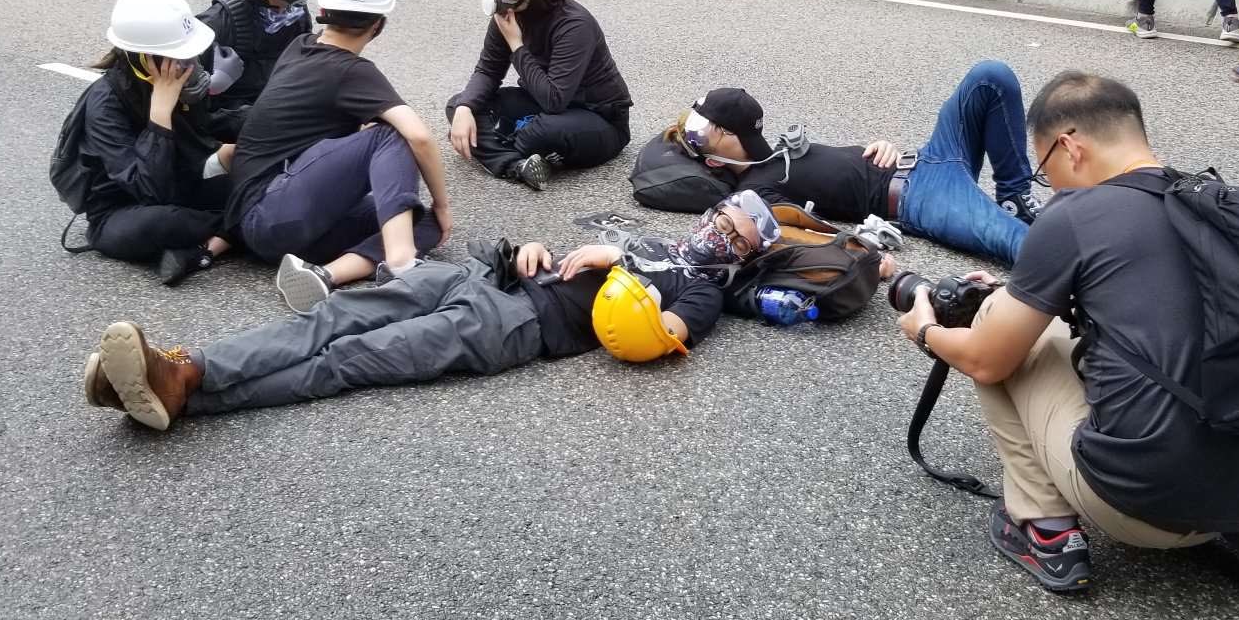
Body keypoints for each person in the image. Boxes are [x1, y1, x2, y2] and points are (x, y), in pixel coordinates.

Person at [898, 70, 1239, 595]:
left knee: (993, 326)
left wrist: (925, 331)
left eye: (1043, 168)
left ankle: (1045, 529)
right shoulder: (1215, 207)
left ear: (1069, 146)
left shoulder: (1075, 214)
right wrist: (1024, 291)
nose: (1049, 184)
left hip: (1137, 507)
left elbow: (988, 360)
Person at [81, 192, 776, 431]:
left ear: (740, 256)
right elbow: (568, 255)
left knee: (346, 362)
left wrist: (621, 271)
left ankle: (175, 386)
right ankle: (180, 369)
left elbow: (659, 337)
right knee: (328, 320)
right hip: (482, 278)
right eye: (721, 217)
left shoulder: (705, 291)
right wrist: (538, 246)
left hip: (516, 328)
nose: (719, 231)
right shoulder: (655, 240)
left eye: (735, 236)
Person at [207, 0, 452, 312]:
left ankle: (323, 275)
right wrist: (444, 205)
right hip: (273, 212)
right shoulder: (352, 71)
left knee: (416, 218)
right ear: (379, 25)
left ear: (323, 10)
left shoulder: (300, 46)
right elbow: (418, 137)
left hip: (263, 225)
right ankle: (401, 264)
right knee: (391, 134)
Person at [647, 62, 1043, 264]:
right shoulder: (753, 193)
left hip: (927, 157)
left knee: (990, 76)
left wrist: (888, 147)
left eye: (710, 131)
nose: (701, 139)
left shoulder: (778, 154)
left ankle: (1014, 196)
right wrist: (859, 249)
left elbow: (839, 166)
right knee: (1025, 247)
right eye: (700, 135)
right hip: (918, 198)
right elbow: (791, 236)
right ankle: (1096, 282)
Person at [57, 0, 238, 285]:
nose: (190, 64)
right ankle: (235, 229)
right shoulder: (106, 103)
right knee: (165, 221)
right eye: (180, 57)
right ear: (144, 58)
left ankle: (207, 245)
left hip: (181, 187)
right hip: (122, 210)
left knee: (257, 177)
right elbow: (149, 189)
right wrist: (160, 113)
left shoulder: (176, 79)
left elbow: (202, 137)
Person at [447, 0, 635, 191]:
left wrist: (516, 44)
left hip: (597, 118)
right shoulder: (509, 14)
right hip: (540, 101)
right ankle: (518, 165)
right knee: (459, 106)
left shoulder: (574, 25)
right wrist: (466, 108)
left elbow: (554, 100)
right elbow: (488, 71)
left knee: (541, 131)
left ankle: (502, 146)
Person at [195, 0, 321, 140]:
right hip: (234, 131)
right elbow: (176, 89)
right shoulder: (221, 22)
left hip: (277, 112)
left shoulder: (296, 12)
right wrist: (209, 86)